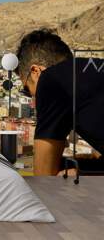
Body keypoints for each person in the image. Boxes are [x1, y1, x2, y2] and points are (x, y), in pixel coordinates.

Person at [15, 29, 104, 175]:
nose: (32, 98)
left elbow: (44, 176)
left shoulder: (50, 81)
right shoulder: (91, 72)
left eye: (26, 89)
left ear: (36, 72)